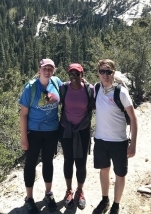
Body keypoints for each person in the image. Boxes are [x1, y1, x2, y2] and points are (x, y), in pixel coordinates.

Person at [92, 59, 138, 214]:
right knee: (104, 170)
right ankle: (105, 199)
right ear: (98, 73)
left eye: (108, 71)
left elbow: (133, 118)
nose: (105, 75)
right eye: (102, 71)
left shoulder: (121, 92)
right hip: (100, 139)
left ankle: (116, 205)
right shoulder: (97, 88)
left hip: (118, 141)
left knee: (119, 173)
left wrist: (133, 144)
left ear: (113, 72)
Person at [19, 58, 62, 214]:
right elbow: (23, 115)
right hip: (34, 132)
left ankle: (48, 193)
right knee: (30, 164)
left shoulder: (56, 83)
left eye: (50, 68)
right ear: (39, 69)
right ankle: (29, 198)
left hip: (52, 131)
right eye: (45, 68)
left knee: (48, 162)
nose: (47, 71)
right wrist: (24, 137)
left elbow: (70, 92)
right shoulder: (30, 88)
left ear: (54, 70)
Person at [59, 63, 94, 210]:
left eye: (77, 74)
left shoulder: (89, 89)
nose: (73, 77)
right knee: (68, 160)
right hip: (66, 129)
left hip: (83, 130)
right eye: (71, 74)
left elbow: (95, 104)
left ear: (82, 75)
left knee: (81, 162)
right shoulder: (64, 88)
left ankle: (80, 190)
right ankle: (69, 190)